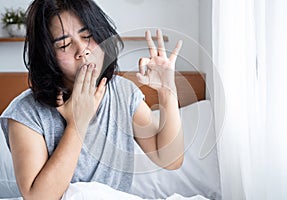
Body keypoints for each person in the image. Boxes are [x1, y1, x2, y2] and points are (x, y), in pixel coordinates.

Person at [0, 0, 184, 199]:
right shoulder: (25, 113)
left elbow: (170, 159)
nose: (82, 51)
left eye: (88, 36)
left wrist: (167, 91)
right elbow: (39, 197)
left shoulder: (122, 93)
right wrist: (77, 123)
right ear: (47, 56)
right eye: (64, 44)